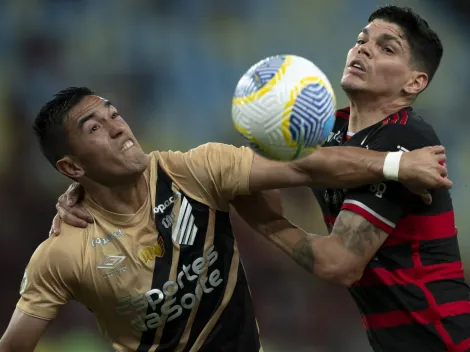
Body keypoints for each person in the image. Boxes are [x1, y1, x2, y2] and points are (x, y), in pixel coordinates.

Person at [43, 5, 469, 352]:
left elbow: (339, 262)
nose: (364, 50)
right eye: (362, 39)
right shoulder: (326, 130)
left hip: (446, 335)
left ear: (416, 81)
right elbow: (223, 167)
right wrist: (93, 186)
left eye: (386, 47)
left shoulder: (404, 137)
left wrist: (266, 223)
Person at [0, 85, 449, 352]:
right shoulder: (64, 251)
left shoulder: (194, 171)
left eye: (114, 114)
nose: (119, 127)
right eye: (94, 128)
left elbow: (301, 167)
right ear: (71, 168)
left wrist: (393, 165)